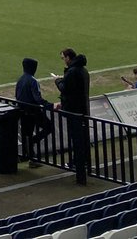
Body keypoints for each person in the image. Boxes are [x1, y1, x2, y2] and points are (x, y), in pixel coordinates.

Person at [54, 47, 91, 183]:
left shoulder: (72, 72)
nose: (63, 60)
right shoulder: (83, 70)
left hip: (74, 111)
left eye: (63, 58)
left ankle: (78, 164)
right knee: (83, 137)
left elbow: (66, 89)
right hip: (83, 109)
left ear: (69, 57)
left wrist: (57, 81)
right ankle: (84, 161)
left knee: (76, 138)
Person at [15, 57, 54, 164]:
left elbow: (17, 96)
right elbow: (37, 98)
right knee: (49, 127)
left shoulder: (20, 80)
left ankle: (29, 157)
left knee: (26, 134)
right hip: (33, 111)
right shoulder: (33, 81)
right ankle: (32, 147)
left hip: (23, 111)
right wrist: (49, 105)